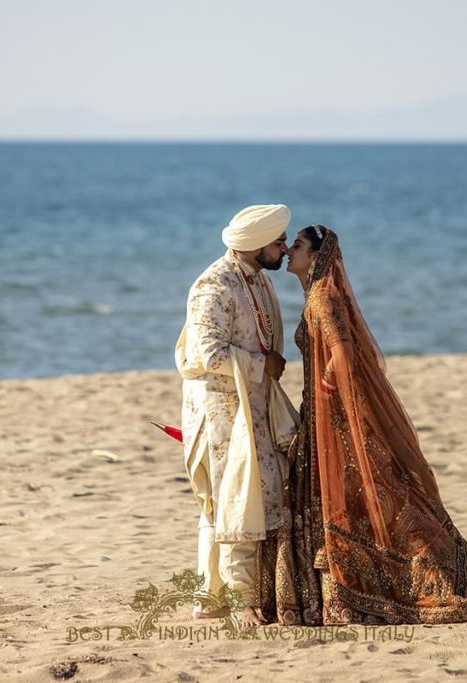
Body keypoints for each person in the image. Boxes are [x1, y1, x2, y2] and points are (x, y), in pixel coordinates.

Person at [262, 225, 467, 625]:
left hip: (332, 414)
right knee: (356, 494)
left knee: (369, 492)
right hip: (320, 413)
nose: (290, 251)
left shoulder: (324, 299)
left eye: (297, 245)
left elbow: (343, 355)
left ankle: (408, 582)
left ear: (315, 256)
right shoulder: (315, 295)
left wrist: (326, 392)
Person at [175, 204, 298, 628]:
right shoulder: (215, 285)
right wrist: (263, 366)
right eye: (279, 242)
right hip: (222, 409)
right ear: (256, 243)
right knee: (235, 500)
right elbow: (207, 354)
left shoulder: (257, 280)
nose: (284, 248)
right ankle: (240, 602)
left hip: (252, 404)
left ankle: (210, 598)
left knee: (237, 499)